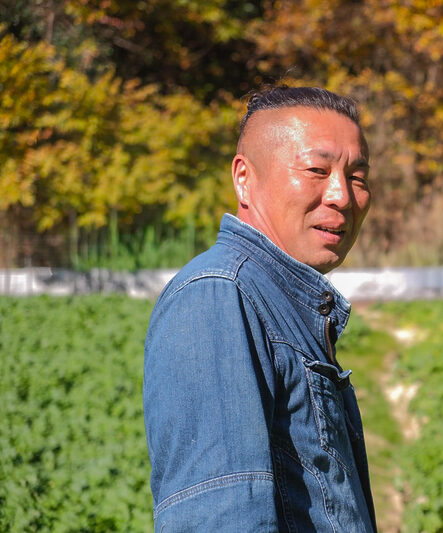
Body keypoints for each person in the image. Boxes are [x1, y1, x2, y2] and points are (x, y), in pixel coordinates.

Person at [143, 86, 376, 532]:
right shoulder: (218, 296)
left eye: (357, 177)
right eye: (316, 169)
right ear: (244, 178)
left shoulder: (278, 300)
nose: (342, 196)